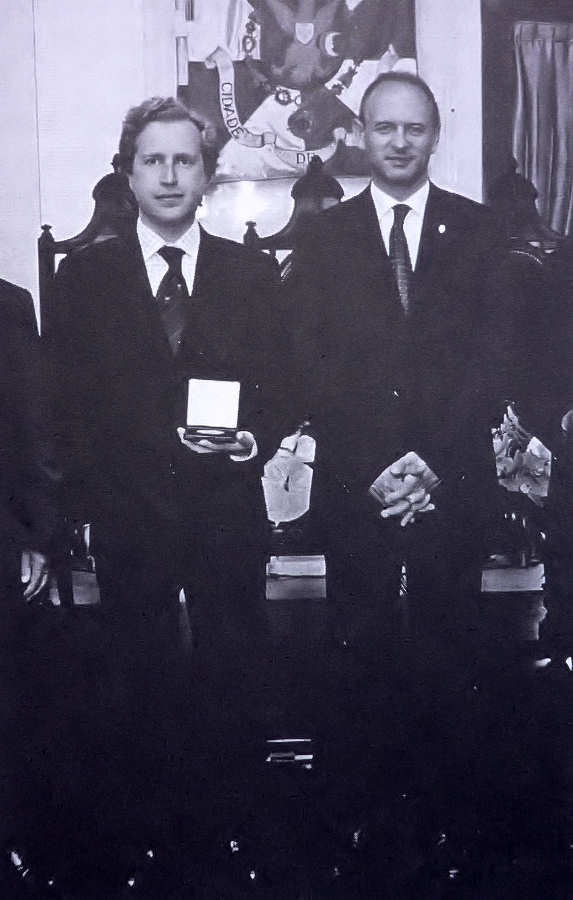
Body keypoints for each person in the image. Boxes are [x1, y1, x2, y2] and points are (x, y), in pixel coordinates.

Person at [45, 97, 282, 850]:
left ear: (208, 173)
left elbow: (282, 385)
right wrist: (96, 500)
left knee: (234, 677)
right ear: (129, 173)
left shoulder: (250, 272)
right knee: (134, 683)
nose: (170, 175)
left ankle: (234, 840)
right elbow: (66, 407)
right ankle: (146, 842)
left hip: (225, 516)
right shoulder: (85, 278)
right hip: (131, 516)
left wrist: (253, 438)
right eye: (154, 160)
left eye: (185, 160)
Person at [285, 72, 504, 645]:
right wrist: (374, 468)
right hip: (357, 486)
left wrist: (433, 464)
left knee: (452, 658)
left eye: (415, 129)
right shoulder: (322, 237)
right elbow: (309, 364)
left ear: (436, 136)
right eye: (385, 128)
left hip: (454, 484)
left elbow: (492, 360)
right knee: (360, 663)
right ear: (361, 133)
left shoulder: (482, 231)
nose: (400, 142)